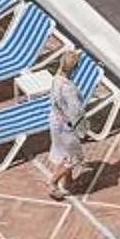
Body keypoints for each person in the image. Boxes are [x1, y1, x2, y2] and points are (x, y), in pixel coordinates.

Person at [46, 46, 88, 197]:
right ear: (75, 68)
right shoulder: (68, 88)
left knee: (64, 153)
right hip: (66, 125)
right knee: (74, 157)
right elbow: (76, 111)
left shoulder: (55, 79)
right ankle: (53, 182)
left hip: (55, 120)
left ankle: (68, 183)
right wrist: (82, 128)